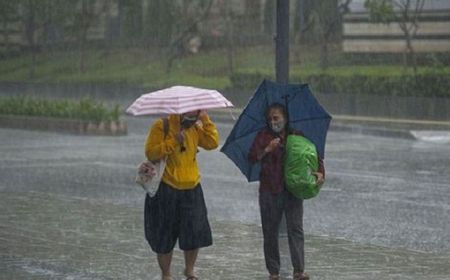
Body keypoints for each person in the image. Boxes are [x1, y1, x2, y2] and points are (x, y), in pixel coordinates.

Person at [248, 103, 325, 280]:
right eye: (270, 119)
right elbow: (252, 157)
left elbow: (313, 155)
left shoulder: (296, 136)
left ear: (285, 118)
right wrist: (267, 149)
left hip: (293, 190)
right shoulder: (263, 136)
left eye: (276, 118)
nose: (273, 121)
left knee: (296, 228)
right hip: (269, 190)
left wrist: (321, 172)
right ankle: (273, 271)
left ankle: (299, 269)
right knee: (270, 231)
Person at [144, 110, 219, 280]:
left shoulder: (196, 128)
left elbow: (213, 142)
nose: (192, 117)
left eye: (196, 113)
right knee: (164, 234)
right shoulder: (161, 126)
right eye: (190, 114)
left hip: (192, 187)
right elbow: (151, 152)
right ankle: (166, 273)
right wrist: (173, 141)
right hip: (167, 187)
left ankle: (189, 269)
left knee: (194, 233)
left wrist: (205, 120)